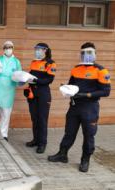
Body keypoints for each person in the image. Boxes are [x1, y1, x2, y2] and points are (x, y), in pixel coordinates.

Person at [48, 42, 111, 172]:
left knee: (89, 135)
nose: (86, 55)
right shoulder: (76, 69)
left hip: (90, 108)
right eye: (83, 53)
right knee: (69, 132)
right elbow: (71, 85)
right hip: (74, 106)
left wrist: (87, 94)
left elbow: (106, 91)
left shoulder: (101, 70)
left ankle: (85, 160)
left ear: (94, 54)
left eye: (89, 53)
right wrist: (65, 88)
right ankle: (62, 154)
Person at [24, 43, 56, 154]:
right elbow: (30, 76)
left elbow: (49, 80)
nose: (37, 51)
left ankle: (42, 143)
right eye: (36, 49)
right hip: (33, 93)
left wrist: (35, 79)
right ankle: (36, 140)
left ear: (45, 50)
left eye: (39, 49)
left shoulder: (50, 63)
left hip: (43, 94)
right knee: (34, 118)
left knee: (42, 119)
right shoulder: (34, 62)